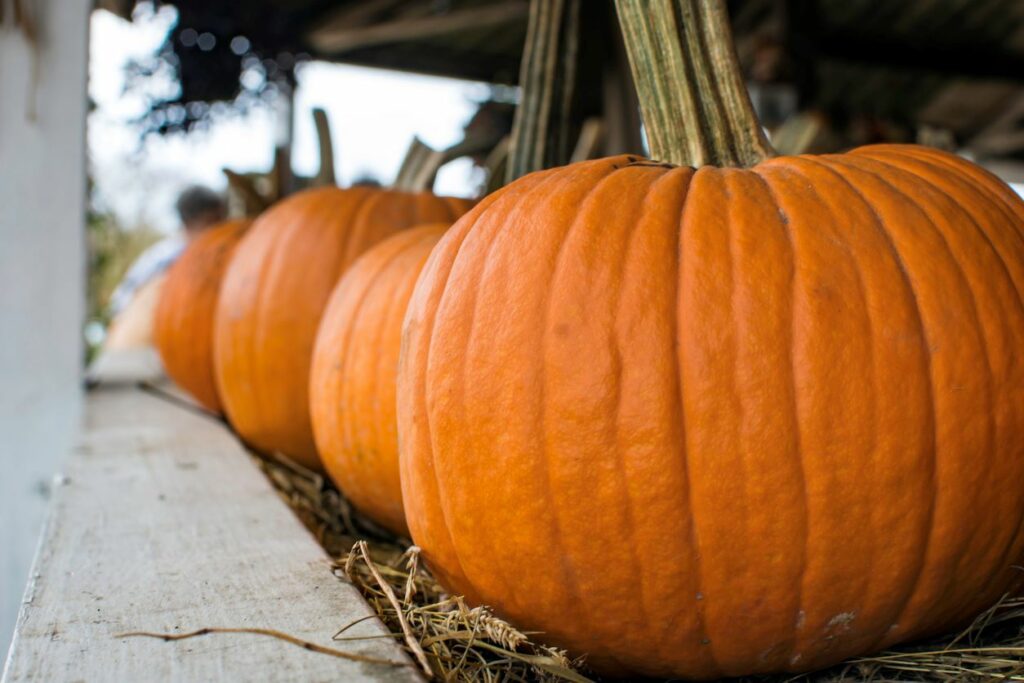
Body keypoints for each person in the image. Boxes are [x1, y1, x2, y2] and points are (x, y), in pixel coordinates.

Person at [102, 186, 226, 352]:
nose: (221, 230)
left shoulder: (168, 253)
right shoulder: (172, 259)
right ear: (193, 222)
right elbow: (123, 309)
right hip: (140, 353)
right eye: (214, 222)